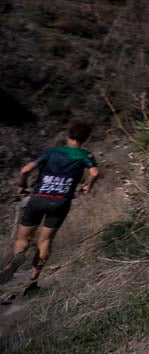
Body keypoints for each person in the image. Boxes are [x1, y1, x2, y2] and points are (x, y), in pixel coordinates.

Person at [0, 122, 99, 287]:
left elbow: (25, 170)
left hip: (39, 198)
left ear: (68, 136)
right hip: (60, 202)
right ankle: (33, 281)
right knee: (45, 241)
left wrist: (22, 186)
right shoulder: (85, 155)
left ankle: (15, 261)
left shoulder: (51, 152)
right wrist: (88, 186)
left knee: (23, 238)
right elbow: (95, 173)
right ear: (86, 139)